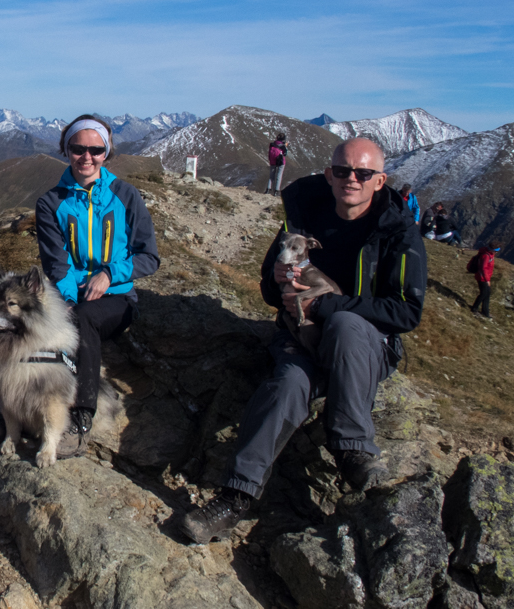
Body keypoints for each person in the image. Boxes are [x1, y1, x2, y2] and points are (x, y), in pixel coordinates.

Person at [180, 137, 426, 544]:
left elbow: (406, 313)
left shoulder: (399, 233)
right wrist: (277, 286)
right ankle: (235, 496)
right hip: (301, 338)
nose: (352, 180)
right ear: (329, 174)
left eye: (363, 174)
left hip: (365, 346)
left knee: (346, 326)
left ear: (379, 181)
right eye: (343, 171)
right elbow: (267, 287)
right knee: (288, 384)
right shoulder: (301, 220)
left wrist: (331, 306)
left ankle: (351, 449)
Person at [35, 114, 160, 456]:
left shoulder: (126, 196)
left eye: (96, 149)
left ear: (107, 153)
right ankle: (12, 412)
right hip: (68, 296)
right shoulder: (50, 203)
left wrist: (109, 274)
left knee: (84, 318)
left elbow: (148, 256)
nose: (86, 157)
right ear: (66, 149)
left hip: (118, 301)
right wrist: (71, 298)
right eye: (78, 148)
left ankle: (82, 416)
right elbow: (56, 264)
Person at [470, 242, 501, 319]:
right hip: (482, 278)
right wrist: (487, 280)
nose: (497, 252)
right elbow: (483, 268)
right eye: (496, 251)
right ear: (493, 250)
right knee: (483, 293)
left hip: (485, 277)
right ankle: (474, 308)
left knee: (487, 293)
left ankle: (485, 312)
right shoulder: (486, 256)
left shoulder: (489, 254)